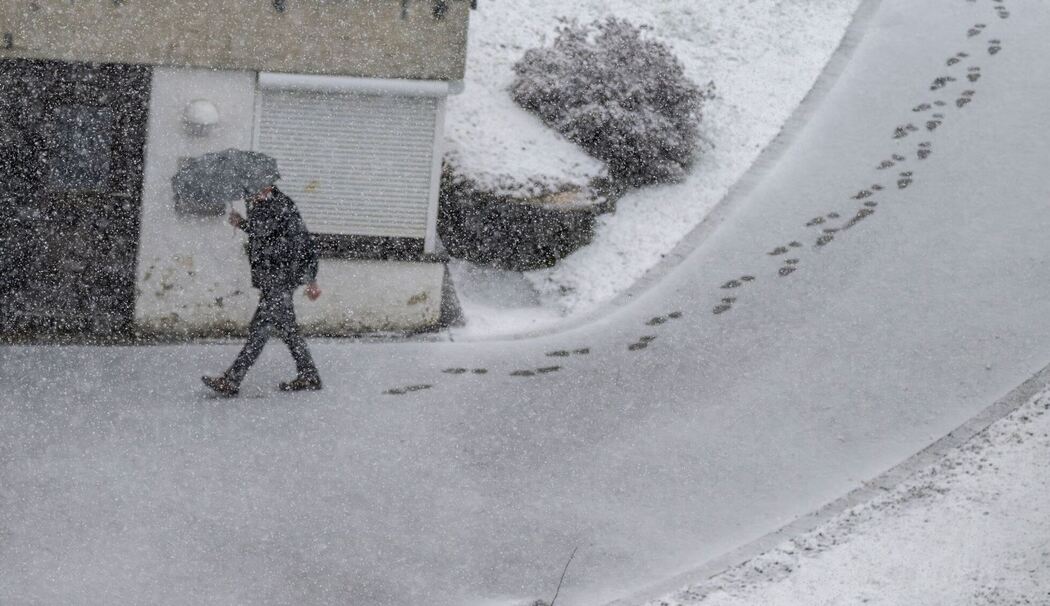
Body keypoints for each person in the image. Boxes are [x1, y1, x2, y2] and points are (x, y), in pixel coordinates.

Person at [202, 184, 322, 396]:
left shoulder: (280, 204)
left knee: (261, 328)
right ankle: (309, 375)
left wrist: (310, 278)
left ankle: (232, 380)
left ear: (268, 186)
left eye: (256, 191)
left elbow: (297, 241)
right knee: (288, 330)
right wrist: (244, 224)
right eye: (250, 192)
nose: (252, 196)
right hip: (273, 278)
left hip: (281, 278)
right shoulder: (263, 205)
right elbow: (266, 233)